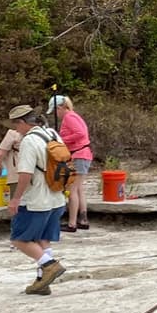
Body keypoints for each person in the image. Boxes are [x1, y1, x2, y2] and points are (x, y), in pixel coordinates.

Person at [7, 106, 69, 294]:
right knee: (43, 239)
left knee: (20, 239)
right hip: (56, 198)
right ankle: (42, 283)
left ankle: (49, 265)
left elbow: (25, 173)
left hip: (36, 200)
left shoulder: (29, 141)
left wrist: (16, 199)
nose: (16, 130)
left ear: (23, 123)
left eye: (16, 126)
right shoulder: (52, 134)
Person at [47, 94, 93, 232]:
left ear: (60, 107)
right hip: (83, 155)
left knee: (72, 189)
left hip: (79, 155)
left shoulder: (69, 117)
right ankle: (83, 219)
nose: (56, 114)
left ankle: (72, 223)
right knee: (79, 189)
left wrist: (61, 139)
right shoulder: (74, 116)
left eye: (55, 111)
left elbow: (80, 134)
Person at [0, 121, 23, 200]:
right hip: (34, 173)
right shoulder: (38, 133)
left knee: (17, 201)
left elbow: (0, 154)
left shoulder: (12, 134)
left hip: (17, 173)